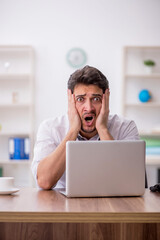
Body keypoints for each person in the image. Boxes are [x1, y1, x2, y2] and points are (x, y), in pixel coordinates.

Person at [31, 65, 140, 190]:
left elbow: (130, 180)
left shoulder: (126, 127)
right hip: (61, 205)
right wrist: (73, 131)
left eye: (96, 99)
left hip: (111, 204)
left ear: (106, 99)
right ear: (70, 100)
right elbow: (44, 181)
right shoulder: (50, 128)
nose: (89, 108)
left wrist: (102, 129)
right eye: (80, 99)